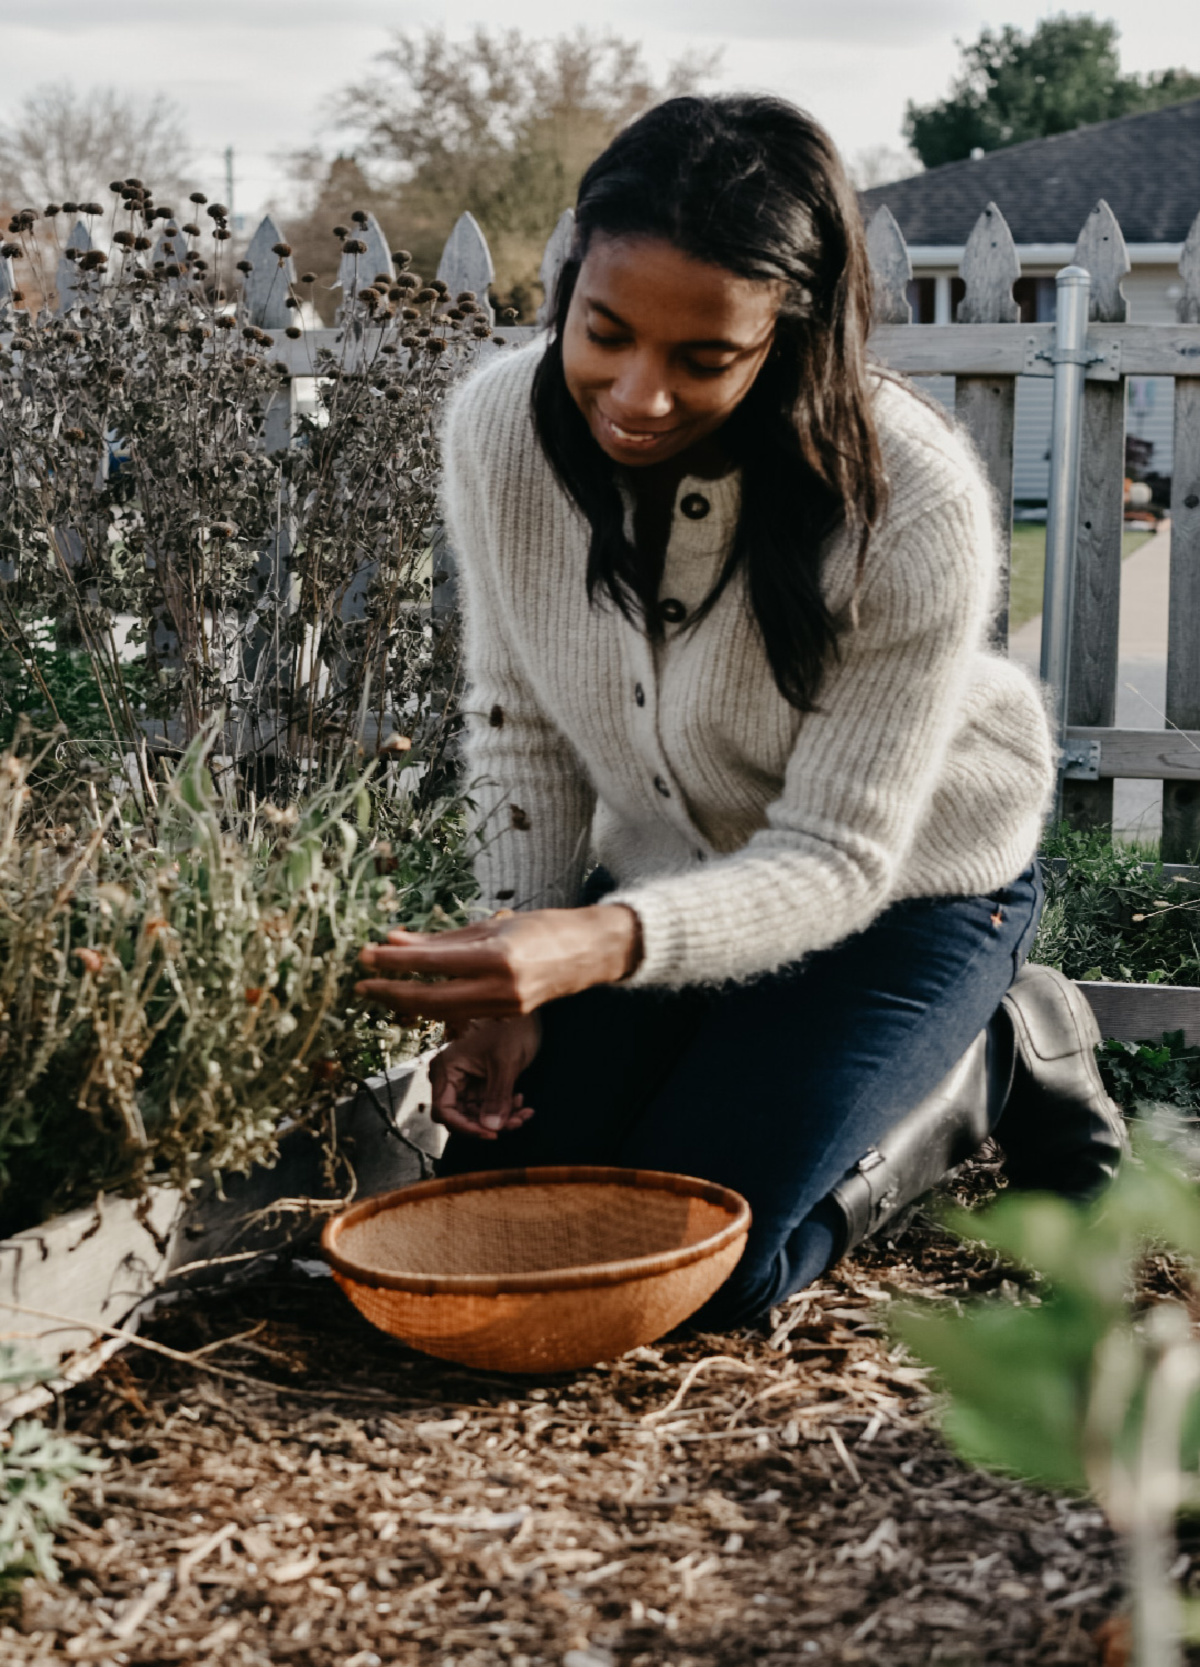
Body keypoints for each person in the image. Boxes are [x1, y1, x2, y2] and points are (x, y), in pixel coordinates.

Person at [357, 94, 1124, 1329]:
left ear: (788, 335)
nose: (638, 395)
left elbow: (832, 859)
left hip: (903, 889)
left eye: (703, 358)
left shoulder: (907, 503)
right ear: (569, 282)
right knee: (506, 1205)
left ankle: (983, 1066)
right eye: (604, 332)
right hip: (676, 887)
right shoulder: (501, 428)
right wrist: (513, 973)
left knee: (691, 1279)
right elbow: (520, 720)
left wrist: (588, 950)